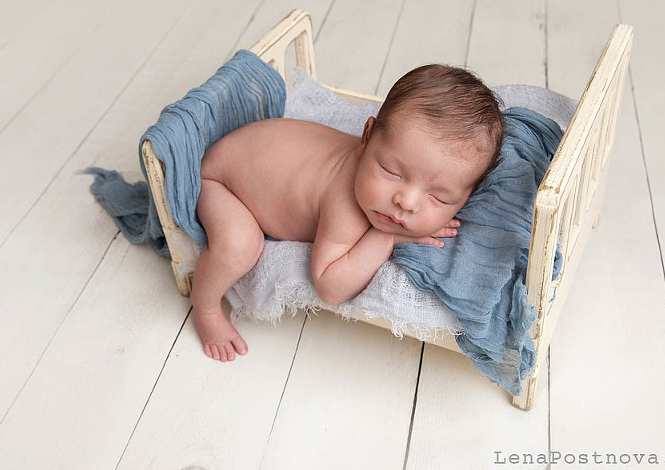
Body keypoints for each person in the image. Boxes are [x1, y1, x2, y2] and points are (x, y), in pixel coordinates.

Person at [192, 64, 503, 362]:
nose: (406, 202)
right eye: (391, 171)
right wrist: (386, 238)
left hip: (258, 146)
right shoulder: (346, 201)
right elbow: (329, 287)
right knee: (240, 247)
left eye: (438, 197)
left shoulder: (397, 161)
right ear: (366, 137)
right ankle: (205, 308)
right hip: (222, 182)